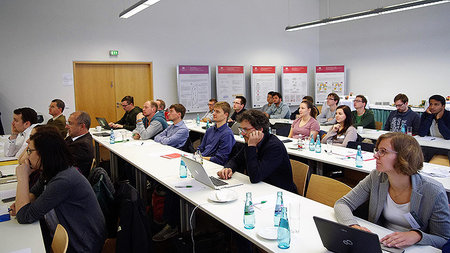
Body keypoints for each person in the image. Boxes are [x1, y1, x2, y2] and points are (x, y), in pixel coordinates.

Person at [334, 132, 450, 249]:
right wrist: (352, 225)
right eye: (377, 150)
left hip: (414, 248)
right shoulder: (376, 177)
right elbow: (343, 203)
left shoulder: (434, 191)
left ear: (403, 157)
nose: (375, 156)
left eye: (383, 151)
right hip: (383, 242)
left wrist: (418, 236)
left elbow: (443, 239)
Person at [10, 131, 106, 252]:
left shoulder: (64, 180)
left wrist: (23, 178)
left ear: (43, 154)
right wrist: (21, 203)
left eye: (30, 151)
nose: (27, 156)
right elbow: (33, 193)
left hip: (81, 245)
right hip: (72, 235)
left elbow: (24, 216)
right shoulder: (51, 170)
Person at [217, 109, 297, 193]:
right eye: (241, 130)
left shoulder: (274, 147)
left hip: (280, 193)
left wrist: (251, 146)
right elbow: (236, 160)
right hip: (261, 189)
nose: (242, 133)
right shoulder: (251, 141)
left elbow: (255, 176)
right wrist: (228, 168)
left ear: (259, 130)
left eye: (246, 130)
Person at [65, 111, 94, 178]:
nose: (66, 126)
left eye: (70, 123)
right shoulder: (73, 137)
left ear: (82, 126)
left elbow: (62, 163)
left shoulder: (82, 146)